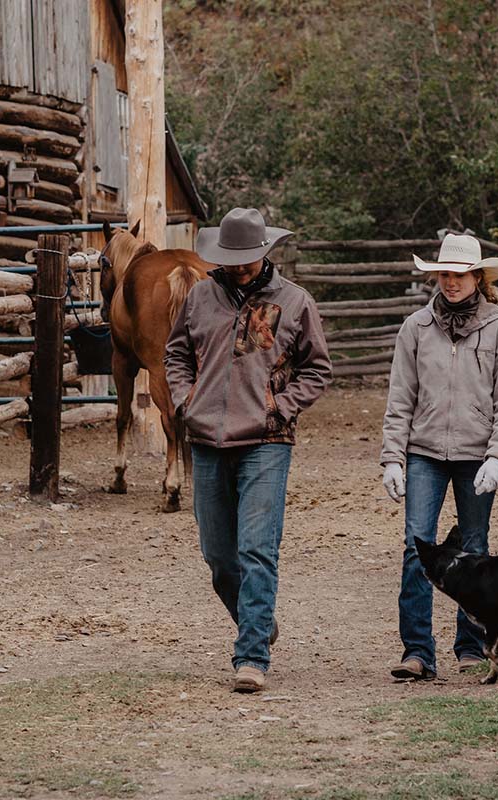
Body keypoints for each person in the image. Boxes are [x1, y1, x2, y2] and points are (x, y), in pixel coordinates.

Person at [165, 207, 332, 693]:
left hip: (266, 441)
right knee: (218, 555)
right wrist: (183, 400)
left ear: (264, 253)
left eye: (246, 259)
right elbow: (176, 353)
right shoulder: (200, 296)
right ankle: (257, 618)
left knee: (257, 548)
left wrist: (280, 407)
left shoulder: (295, 302)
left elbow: (317, 369)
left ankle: (252, 653)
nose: (238, 267)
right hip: (207, 439)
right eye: (230, 259)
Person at [379, 233, 498, 680]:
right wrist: (392, 459)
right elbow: (400, 398)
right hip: (424, 452)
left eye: (460, 275)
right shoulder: (416, 328)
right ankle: (418, 651)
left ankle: (472, 646)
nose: (452, 282)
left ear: (477, 277)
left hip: (475, 455)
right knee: (414, 547)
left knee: (475, 550)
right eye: (445, 274)